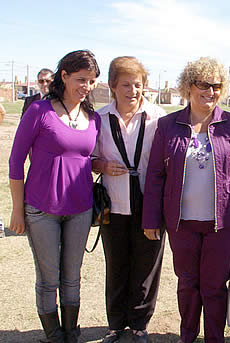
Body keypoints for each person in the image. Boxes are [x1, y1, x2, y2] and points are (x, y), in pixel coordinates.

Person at [142, 57, 230, 343]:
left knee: (215, 286)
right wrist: (151, 218)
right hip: (181, 222)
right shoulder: (168, 125)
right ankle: (187, 336)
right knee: (188, 284)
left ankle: (215, 338)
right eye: (203, 84)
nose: (210, 91)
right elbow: (155, 175)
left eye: (216, 86)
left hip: (222, 222)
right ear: (188, 87)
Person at [9, 50, 100, 343]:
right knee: (49, 279)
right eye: (81, 79)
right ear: (64, 76)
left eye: (92, 81)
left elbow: (85, 158)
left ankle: (71, 334)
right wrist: (16, 210)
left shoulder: (94, 118)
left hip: (81, 209)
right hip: (41, 209)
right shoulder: (39, 111)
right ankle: (54, 336)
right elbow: (15, 161)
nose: (86, 86)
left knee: (72, 277)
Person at [92, 56, 167, 343]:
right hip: (114, 203)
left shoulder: (158, 118)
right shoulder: (99, 118)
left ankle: (139, 324)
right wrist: (101, 166)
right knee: (117, 264)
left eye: (138, 85)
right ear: (112, 86)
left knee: (147, 267)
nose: (133, 91)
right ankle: (115, 324)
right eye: (126, 85)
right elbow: (89, 157)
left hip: (149, 205)